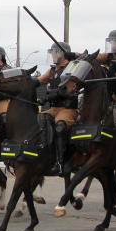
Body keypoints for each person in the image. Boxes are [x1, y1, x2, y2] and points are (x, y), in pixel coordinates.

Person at [36, 42, 79, 176]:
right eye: (52, 52)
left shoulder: (72, 67)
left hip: (67, 108)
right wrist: (24, 81)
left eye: (56, 52)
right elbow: (39, 80)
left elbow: (69, 86)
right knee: (38, 123)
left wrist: (53, 94)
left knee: (60, 127)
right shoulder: (53, 70)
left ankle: (61, 163)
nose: (53, 55)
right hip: (53, 108)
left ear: (64, 54)